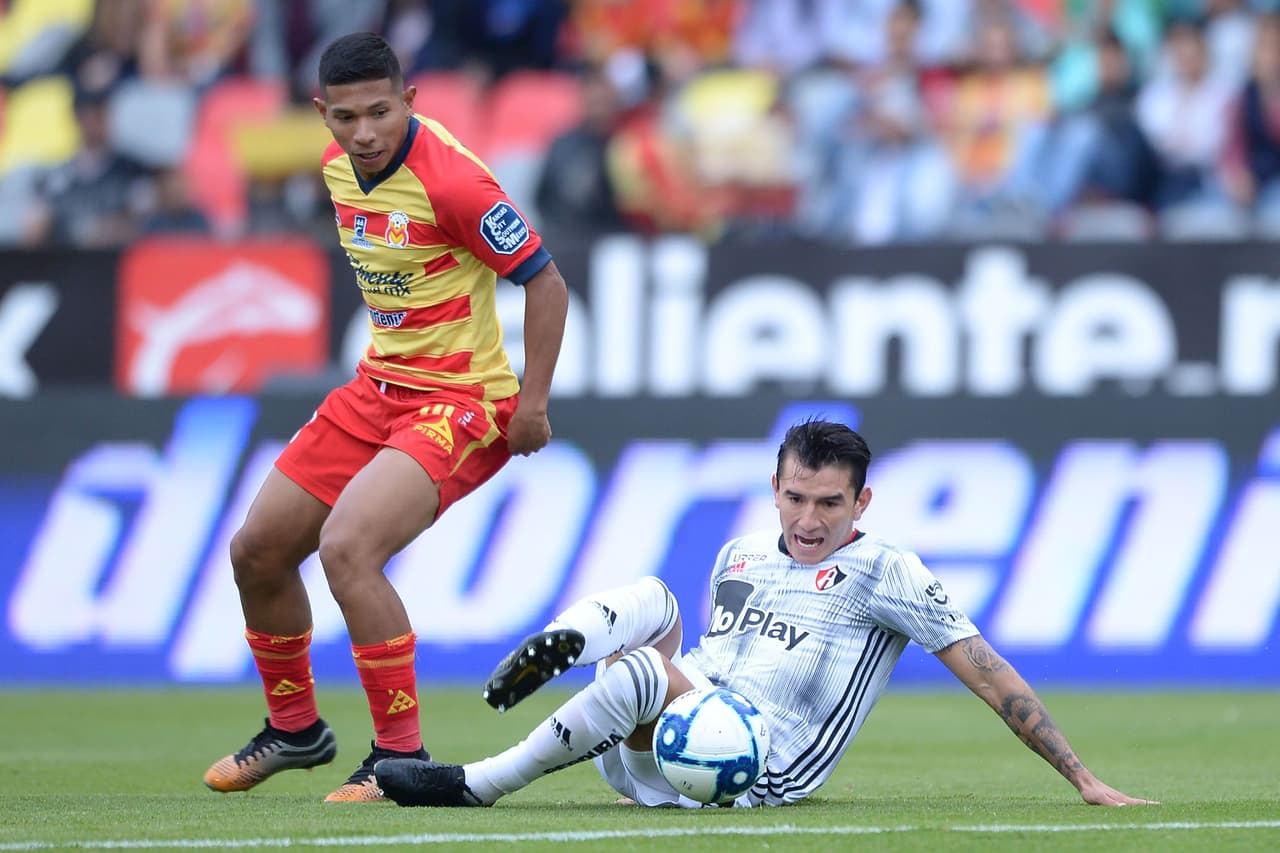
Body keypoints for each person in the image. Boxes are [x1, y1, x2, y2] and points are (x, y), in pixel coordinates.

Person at [374, 420, 1155, 809]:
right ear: (774, 485)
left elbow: (987, 671)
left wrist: (1080, 775)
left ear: (862, 501)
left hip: (757, 768)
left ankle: (475, 783)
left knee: (646, 667)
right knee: (652, 600)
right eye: (795, 496)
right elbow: (713, 650)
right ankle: (570, 643)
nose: (809, 518)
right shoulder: (742, 552)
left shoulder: (888, 570)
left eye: (829, 502)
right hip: (676, 736)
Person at [202, 31, 569, 802]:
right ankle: (296, 729)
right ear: (321, 114)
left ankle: (396, 757)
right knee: (257, 549)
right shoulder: (339, 171)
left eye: (380, 112)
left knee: (347, 548)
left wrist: (530, 402)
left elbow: (547, 283)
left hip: (463, 400)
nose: (365, 133)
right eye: (345, 117)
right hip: (377, 388)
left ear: (410, 100)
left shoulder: (457, 182)